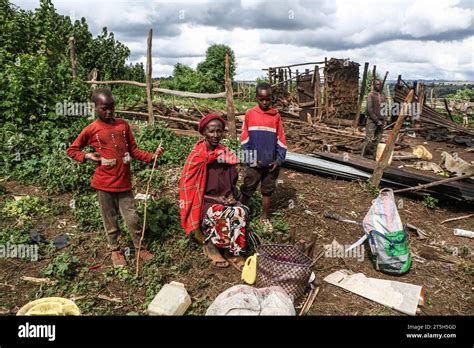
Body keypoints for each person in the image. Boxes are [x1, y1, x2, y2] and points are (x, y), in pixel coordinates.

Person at [67, 88, 164, 267]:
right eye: (104, 108)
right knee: (110, 219)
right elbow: (72, 150)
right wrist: (89, 156)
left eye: (112, 107)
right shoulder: (92, 129)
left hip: (124, 183)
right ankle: (116, 250)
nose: (109, 111)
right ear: (94, 107)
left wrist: (152, 156)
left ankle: (139, 247)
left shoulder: (123, 125)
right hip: (104, 184)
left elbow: (133, 150)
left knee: (132, 217)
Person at [179, 114, 248, 268]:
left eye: (219, 131)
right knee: (221, 212)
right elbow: (191, 192)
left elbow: (231, 183)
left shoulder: (225, 154)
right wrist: (216, 200)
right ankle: (211, 245)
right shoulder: (197, 157)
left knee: (241, 211)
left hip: (222, 199)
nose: (216, 135)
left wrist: (230, 196)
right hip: (204, 203)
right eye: (211, 131)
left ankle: (232, 250)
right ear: (204, 132)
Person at [239, 83, 287, 226]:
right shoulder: (250, 114)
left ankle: (265, 217)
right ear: (256, 98)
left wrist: (278, 160)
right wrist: (250, 158)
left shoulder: (275, 116)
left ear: (271, 99)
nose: (265, 102)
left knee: (267, 190)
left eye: (268, 99)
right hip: (254, 162)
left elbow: (281, 140)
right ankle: (239, 214)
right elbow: (244, 139)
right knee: (248, 188)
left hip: (271, 163)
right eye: (261, 99)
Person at [362, 79, 387, 159]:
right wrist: (376, 120)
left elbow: (385, 108)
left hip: (381, 122)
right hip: (372, 121)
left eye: (379, 84)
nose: (379, 86)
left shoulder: (383, 96)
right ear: (374, 85)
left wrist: (385, 120)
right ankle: (362, 156)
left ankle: (374, 157)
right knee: (368, 139)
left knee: (378, 140)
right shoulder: (371, 95)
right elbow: (369, 109)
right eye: (377, 84)